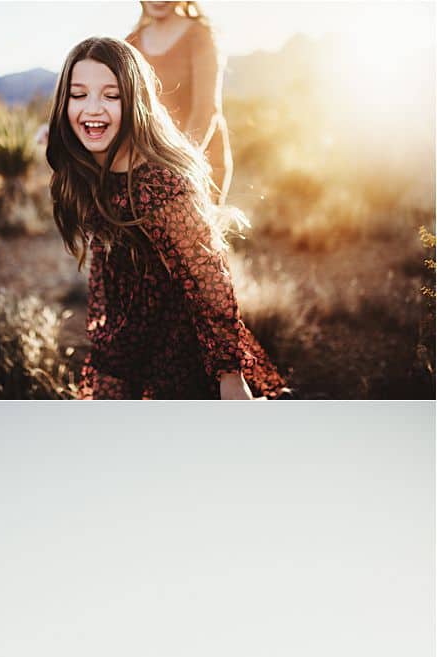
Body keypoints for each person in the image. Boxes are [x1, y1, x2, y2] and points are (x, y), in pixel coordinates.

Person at [46, 37, 283, 400]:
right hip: (128, 339)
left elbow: (207, 276)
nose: (92, 108)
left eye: (111, 96)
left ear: (136, 101)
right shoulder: (90, 169)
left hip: (178, 349)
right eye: (79, 95)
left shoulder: (158, 184)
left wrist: (230, 376)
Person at [126, 3, 232, 200]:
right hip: (148, 163)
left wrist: (178, 165)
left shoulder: (200, 35)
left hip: (199, 161)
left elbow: (206, 109)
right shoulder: (131, 43)